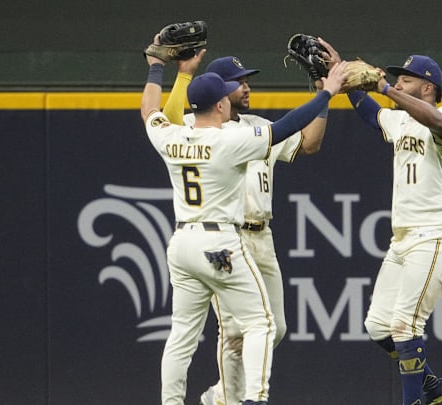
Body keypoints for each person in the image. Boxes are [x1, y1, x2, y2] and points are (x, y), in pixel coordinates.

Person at [141, 36, 348, 405]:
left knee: (192, 334)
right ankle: (244, 399)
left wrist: (158, 66)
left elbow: (151, 114)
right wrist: (326, 92)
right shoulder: (227, 140)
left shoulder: (177, 134)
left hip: (194, 240)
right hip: (223, 240)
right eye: (238, 82)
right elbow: (284, 128)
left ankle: (193, 399)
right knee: (253, 327)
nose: (246, 86)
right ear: (221, 99)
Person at [319, 38, 442, 405]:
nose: (399, 82)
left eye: (407, 79)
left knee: (405, 325)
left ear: (428, 87)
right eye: (397, 79)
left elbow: (432, 119)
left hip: (436, 235)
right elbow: (372, 114)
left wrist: (385, 88)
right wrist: (340, 75)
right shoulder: (400, 120)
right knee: (378, 327)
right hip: (403, 240)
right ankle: (436, 392)